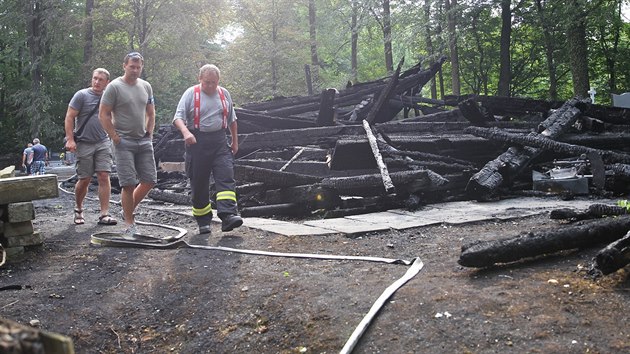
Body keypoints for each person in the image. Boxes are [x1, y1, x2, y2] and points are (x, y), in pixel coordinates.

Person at [172, 64, 242, 234]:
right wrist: (186, 132)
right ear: (200, 79)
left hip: (219, 141)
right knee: (199, 181)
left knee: (226, 176)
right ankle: (203, 220)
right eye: (207, 82)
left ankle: (228, 216)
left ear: (218, 81)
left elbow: (232, 119)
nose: (210, 86)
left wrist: (234, 141)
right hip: (197, 142)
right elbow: (178, 118)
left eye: (213, 82)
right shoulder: (191, 93)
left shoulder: (224, 93)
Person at [99, 52, 157, 238]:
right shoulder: (114, 87)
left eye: (138, 67)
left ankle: (127, 209)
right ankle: (129, 223)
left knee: (149, 180)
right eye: (132, 66)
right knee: (128, 183)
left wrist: (150, 132)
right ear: (124, 66)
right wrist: (114, 136)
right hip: (123, 141)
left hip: (143, 139)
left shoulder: (146, 86)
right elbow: (104, 114)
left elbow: (151, 111)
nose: (135, 70)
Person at [64, 68, 117, 226]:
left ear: (107, 83)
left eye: (101, 79)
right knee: (84, 179)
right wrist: (70, 140)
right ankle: (79, 209)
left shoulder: (110, 98)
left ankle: (104, 214)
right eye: (95, 78)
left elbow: (114, 117)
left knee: (103, 175)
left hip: (102, 141)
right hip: (84, 142)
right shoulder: (82, 95)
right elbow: (69, 117)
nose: (97, 82)